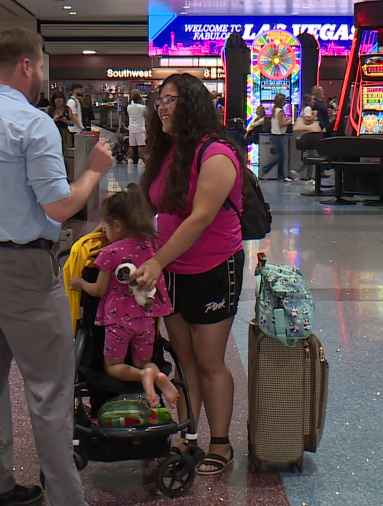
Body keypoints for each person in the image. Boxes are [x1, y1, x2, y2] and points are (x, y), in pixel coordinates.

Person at [0, 27, 114, 506]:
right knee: (50, 390)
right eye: (39, 65)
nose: (41, 74)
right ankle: (66, 498)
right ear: (25, 65)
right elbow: (61, 207)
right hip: (21, 269)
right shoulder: (31, 123)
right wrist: (95, 169)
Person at [135, 73, 246, 476]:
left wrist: (157, 261)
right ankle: (186, 434)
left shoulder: (215, 154)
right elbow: (155, 207)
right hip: (171, 267)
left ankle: (221, 442)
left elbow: (200, 218)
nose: (162, 106)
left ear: (193, 105)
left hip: (213, 267)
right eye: (159, 99)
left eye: (171, 100)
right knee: (183, 359)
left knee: (209, 360)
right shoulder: (170, 151)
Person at [68, 185, 179, 408]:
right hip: (145, 321)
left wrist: (81, 283)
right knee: (144, 362)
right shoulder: (151, 248)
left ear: (117, 225)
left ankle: (141, 377)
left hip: (118, 322)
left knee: (113, 367)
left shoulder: (109, 253)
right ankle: (154, 375)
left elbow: (99, 290)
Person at [259, 94, 292, 182]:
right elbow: (281, 124)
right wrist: (288, 122)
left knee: (281, 156)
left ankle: (281, 176)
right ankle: (265, 169)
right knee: (281, 156)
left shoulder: (275, 110)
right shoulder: (280, 111)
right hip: (278, 135)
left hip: (274, 134)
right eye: (284, 100)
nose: (286, 102)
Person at [126, 91, 147, 166]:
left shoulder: (129, 107)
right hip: (140, 128)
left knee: (131, 146)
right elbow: (146, 113)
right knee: (141, 145)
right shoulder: (142, 107)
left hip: (131, 128)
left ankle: (130, 160)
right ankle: (140, 161)